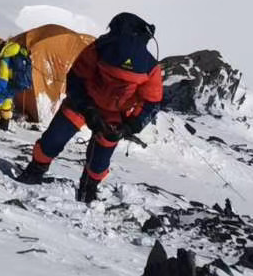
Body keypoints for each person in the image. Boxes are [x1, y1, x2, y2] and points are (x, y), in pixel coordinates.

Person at [18, 12, 163, 202]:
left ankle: (48, 176)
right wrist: (93, 111)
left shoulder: (100, 48)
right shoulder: (148, 66)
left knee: (70, 146)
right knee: (66, 144)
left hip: (103, 111)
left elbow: (77, 78)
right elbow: (151, 102)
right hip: (91, 104)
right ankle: (74, 185)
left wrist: (128, 125)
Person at [0, 37, 32, 130]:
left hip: (6, 85)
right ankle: (4, 124)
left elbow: (2, 78)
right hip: (17, 84)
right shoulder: (16, 52)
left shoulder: (4, 59)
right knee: (7, 101)